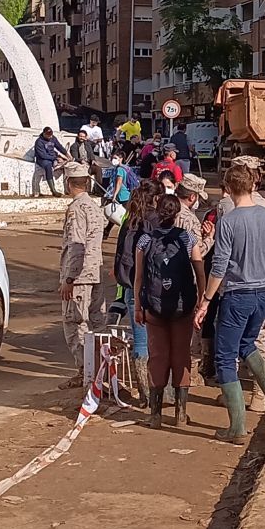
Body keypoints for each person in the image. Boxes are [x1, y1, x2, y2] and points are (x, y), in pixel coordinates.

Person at [195, 163, 265, 443]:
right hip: (264, 291)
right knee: (247, 343)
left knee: (225, 357)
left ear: (227, 188)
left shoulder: (229, 221)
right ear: (253, 185)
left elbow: (220, 266)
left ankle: (237, 428)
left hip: (238, 295)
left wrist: (205, 301)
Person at [134, 193, 204, 429]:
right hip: (183, 308)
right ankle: (180, 414)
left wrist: (138, 305)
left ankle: (154, 415)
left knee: (158, 356)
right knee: (180, 355)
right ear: (177, 214)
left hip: (153, 308)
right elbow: (199, 271)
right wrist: (201, 300)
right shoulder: (187, 238)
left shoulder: (144, 240)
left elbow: (139, 278)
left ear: (157, 208)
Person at [57, 166, 109, 392]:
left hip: (79, 275)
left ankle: (84, 370)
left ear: (68, 183)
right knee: (96, 322)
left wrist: (69, 278)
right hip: (95, 269)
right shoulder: (94, 206)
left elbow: (77, 246)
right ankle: (101, 369)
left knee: (75, 322)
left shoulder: (77, 209)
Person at [112, 182, 162, 404]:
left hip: (132, 287)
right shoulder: (156, 221)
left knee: (140, 342)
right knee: (159, 342)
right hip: (153, 289)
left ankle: (145, 395)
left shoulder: (129, 220)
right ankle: (157, 391)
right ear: (155, 198)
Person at [32, 127, 69, 196]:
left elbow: (59, 146)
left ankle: (67, 189)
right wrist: (56, 158)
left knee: (67, 164)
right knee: (48, 165)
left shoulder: (53, 138)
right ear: (44, 134)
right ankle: (53, 190)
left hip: (53, 157)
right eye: (48, 136)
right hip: (42, 160)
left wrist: (66, 153)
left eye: (51, 135)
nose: (50, 137)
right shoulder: (39, 142)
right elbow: (43, 155)